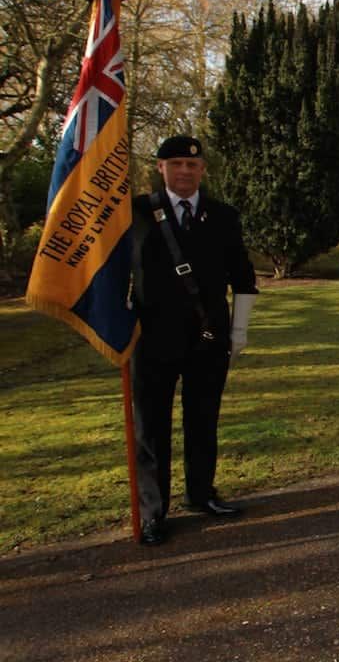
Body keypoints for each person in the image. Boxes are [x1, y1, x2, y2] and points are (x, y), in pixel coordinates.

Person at [129, 136, 257, 546]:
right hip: (151, 338)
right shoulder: (136, 212)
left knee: (203, 419)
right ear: (160, 167)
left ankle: (202, 493)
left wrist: (238, 331)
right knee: (151, 426)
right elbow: (111, 272)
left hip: (208, 335)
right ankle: (153, 512)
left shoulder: (223, 215)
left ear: (203, 170)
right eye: (177, 163)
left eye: (192, 164)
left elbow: (242, 278)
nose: (185, 171)